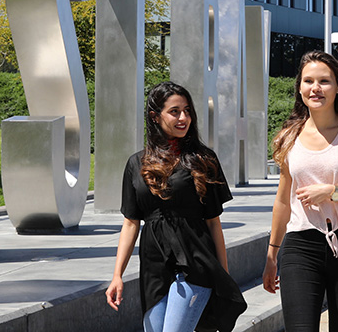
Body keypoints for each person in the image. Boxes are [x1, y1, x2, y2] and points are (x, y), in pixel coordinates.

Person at [261, 51, 338, 332]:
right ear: (300, 87)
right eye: (308, 81)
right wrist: (272, 255)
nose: (315, 88)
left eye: (324, 81)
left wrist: (333, 192)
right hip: (300, 247)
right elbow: (283, 201)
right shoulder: (289, 137)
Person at [106, 81, 247, 332]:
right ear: (154, 116)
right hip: (153, 267)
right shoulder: (135, 163)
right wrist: (117, 275)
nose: (184, 118)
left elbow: (213, 222)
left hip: (196, 262)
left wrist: (223, 276)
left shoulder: (204, 160)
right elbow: (131, 223)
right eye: (175, 111)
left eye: (188, 111)